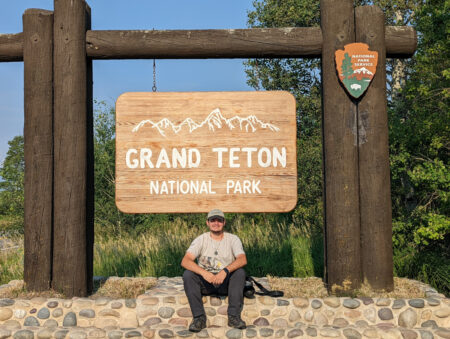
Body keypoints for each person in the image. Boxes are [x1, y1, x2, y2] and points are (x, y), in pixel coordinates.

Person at [181, 209, 247, 332]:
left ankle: (234, 317)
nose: (216, 223)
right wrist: (204, 273)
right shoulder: (201, 239)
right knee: (188, 275)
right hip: (206, 283)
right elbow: (185, 261)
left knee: (240, 273)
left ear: (224, 222)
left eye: (219, 220)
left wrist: (225, 271)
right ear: (207, 222)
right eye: (213, 220)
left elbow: (242, 259)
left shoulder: (233, 239)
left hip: (226, 283)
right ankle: (199, 318)